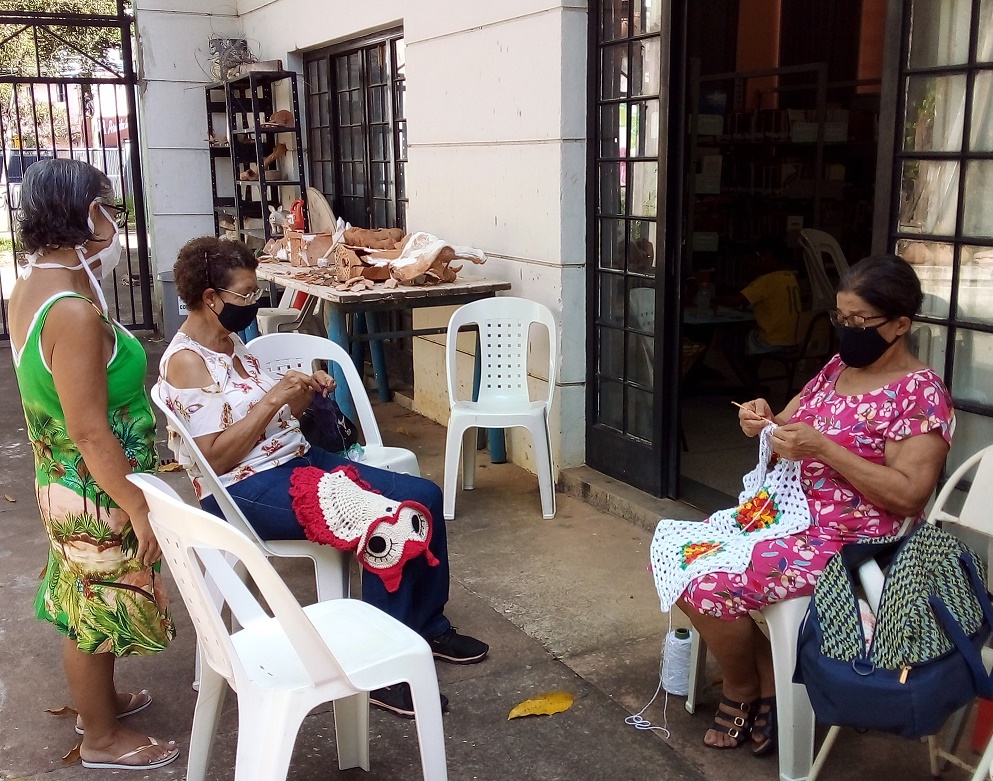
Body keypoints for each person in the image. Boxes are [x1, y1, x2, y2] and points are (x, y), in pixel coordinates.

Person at [158, 236, 489, 719]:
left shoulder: (231, 343)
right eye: (247, 295)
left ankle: (425, 625)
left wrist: (303, 395)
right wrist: (274, 399)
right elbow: (217, 457)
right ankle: (380, 667)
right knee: (387, 523)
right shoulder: (186, 363)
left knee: (423, 495)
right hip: (239, 490)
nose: (255, 304)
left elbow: (271, 419)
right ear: (211, 298)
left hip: (295, 461)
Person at [677, 254, 953, 754]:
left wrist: (825, 449)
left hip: (858, 539)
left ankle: (743, 688)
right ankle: (766, 678)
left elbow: (910, 495)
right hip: (790, 514)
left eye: (858, 321)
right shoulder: (838, 367)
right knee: (685, 554)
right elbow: (787, 424)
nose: (846, 331)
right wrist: (762, 420)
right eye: (840, 318)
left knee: (709, 582)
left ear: (900, 325)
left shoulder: (920, 394)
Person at [9, 159, 177, 769]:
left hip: (68, 480)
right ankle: (100, 738)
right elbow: (86, 425)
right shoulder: (72, 312)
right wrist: (137, 504)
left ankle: (97, 703)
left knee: (85, 596)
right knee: (96, 605)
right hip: (95, 487)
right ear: (80, 214)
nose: (113, 220)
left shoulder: (40, 284)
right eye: (107, 207)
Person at [722, 236, 802, 355]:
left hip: (772, 340)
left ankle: (746, 373)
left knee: (730, 342)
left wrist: (713, 299)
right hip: (793, 340)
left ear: (765, 257)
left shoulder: (767, 280)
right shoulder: (790, 277)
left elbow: (736, 301)